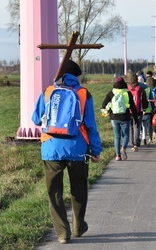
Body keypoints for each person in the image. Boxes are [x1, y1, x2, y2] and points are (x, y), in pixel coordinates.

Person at [31, 60, 102, 244]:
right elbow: (91, 125)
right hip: (77, 149)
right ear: (76, 76)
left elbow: (36, 119)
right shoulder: (84, 93)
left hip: (51, 148)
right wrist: (95, 150)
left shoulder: (48, 92)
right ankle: (78, 227)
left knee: (54, 192)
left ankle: (62, 233)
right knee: (79, 189)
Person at [101, 77, 138, 161]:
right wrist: (136, 118)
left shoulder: (111, 92)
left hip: (114, 117)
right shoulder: (127, 93)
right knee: (126, 135)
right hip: (125, 117)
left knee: (117, 137)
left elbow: (103, 105)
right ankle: (123, 148)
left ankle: (118, 156)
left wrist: (108, 110)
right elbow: (133, 107)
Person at [127, 72, 149, 151]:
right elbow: (144, 101)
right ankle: (136, 143)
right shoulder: (140, 89)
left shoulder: (127, 88)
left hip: (129, 111)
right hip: (138, 111)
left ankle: (132, 142)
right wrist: (145, 108)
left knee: (131, 127)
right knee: (137, 127)